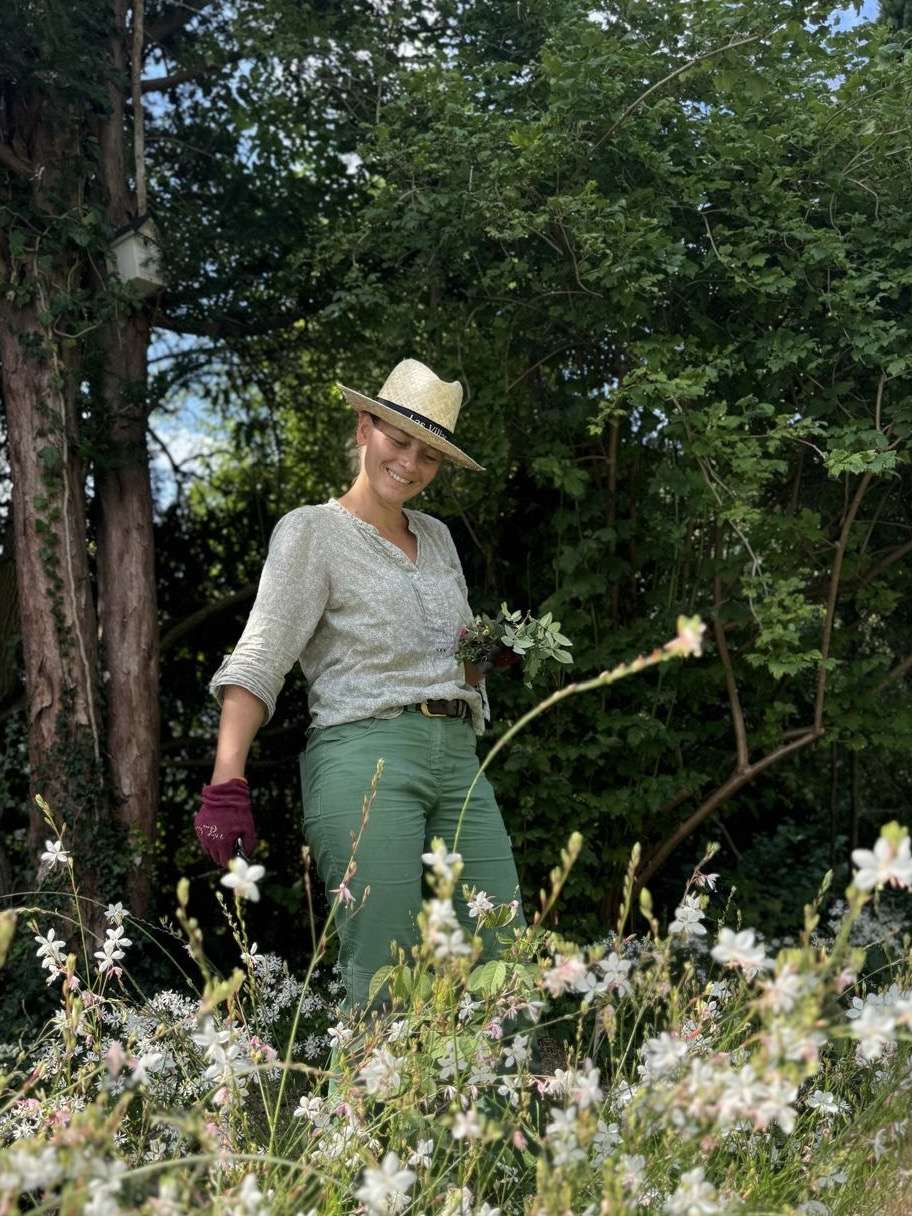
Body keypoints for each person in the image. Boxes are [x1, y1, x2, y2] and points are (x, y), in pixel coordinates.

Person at [193, 357, 528, 1067]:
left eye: (429, 454)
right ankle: (366, 1155)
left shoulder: (437, 539)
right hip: (365, 759)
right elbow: (260, 656)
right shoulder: (311, 533)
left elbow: (453, 652)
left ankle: (489, 1153)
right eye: (398, 441)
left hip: (458, 759)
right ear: (364, 426)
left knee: (502, 954)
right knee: (385, 972)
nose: (409, 463)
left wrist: (485, 658)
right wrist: (228, 779)